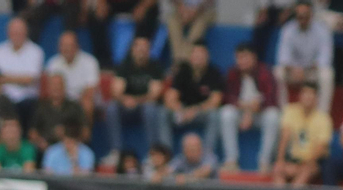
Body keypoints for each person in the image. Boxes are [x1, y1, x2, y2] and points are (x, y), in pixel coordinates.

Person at [219, 42, 280, 171]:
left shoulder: (265, 72)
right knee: (226, 113)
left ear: (254, 57)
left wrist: (254, 108)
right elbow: (227, 97)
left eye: (245, 57)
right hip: (240, 114)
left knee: (273, 116)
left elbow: (271, 98)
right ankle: (231, 160)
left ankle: (265, 162)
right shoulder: (232, 73)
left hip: (260, 115)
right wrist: (245, 108)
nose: (241, 61)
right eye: (239, 57)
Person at [107, 35, 164, 164]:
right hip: (126, 107)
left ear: (149, 50)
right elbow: (116, 91)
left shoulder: (155, 66)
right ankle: (116, 152)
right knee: (111, 108)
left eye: (145, 48)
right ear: (132, 49)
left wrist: (135, 101)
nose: (141, 51)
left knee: (150, 108)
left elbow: (155, 94)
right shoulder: (124, 65)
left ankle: (153, 153)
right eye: (138, 47)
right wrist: (125, 100)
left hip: (144, 106)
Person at [163, 41, 223, 155]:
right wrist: (180, 109)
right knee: (162, 113)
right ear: (190, 56)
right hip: (182, 111)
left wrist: (195, 110)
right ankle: (165, 154)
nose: (198, 57)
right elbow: (169, 98)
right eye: (195, 54)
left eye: (202, 54)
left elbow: (215, 101)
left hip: (201, 112)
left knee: (215, 115)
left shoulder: (214, 73)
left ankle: (207, 155)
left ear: (207, 56)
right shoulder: (183, 72)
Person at [274, 1, 333, 114]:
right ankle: (283, 113)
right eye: (299, 16)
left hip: (312, 71)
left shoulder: (322, 30)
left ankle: (322, 115)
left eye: (305, 15)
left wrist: (306, 70)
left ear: (311, 15)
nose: (303, 19)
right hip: (293, 71)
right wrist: (293, 69)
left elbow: (324, 59)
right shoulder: (288, 30)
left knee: (327, 75)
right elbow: (283, 58)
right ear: (295, 16)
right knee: (278, 73)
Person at [0, 16, 44, 128]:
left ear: (26, 32)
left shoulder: (36, 51)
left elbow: (30, 80)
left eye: (20, 32)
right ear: (8, 32)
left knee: (29, 106)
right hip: (1, 99)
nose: (17, 35)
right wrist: (19, 79)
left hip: (27, 102)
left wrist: (3, 78)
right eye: (14, 32)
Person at [271, 80, 331, 186]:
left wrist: (305, 164)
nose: (308, 97)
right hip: (293, 159)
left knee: (305, 172)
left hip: (312, 162)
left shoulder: (324, 118)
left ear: (316, 98)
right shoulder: (290, 110)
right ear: (300, 95)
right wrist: (280, 160)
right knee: (278, 170)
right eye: (305, 93)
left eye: (311, 94)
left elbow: (321, 148)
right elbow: (285, 137)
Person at [46, 30, 100, 127]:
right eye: (63, 45)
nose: (66, 49)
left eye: (70, 45)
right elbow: (52, 89)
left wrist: (72, 104)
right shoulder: (53, 63)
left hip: (81, 100)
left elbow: (90, 91)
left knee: (87, 104)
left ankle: (84, 138)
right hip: (62, 100)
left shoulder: (90, 62)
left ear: (77, 46)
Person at [87, 0, 158, 67]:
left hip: (137, 4)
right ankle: (104, 62)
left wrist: (143, 7)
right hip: (113, 5)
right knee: (96, 18)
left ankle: (136, 61)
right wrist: (101, 2)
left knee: (150, 14)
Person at [29, 74, 77, 149]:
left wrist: (70, 139)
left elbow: (85, 132)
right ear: (48, 88)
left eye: (59, 85)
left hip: (71, 147)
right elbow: (33, 132)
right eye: (53, 85)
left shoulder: (74, 107)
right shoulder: (41, 107)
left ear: (64, 87)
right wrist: (39, 141)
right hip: (46, 148)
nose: (56, 88)